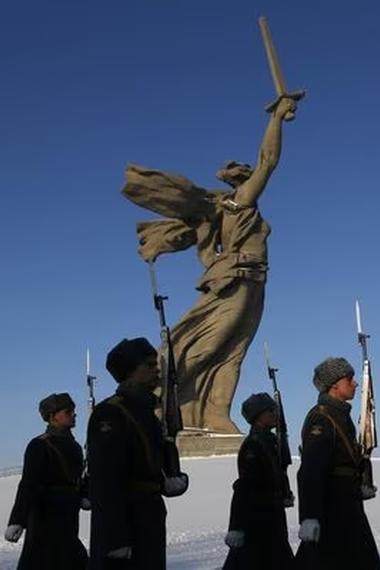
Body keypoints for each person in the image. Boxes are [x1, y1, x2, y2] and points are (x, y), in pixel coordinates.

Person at [120, 95, 302, 433]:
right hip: (237, 279)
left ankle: (216, 413)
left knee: (233, 353)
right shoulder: (239, 202)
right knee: (208, 346)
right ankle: (158, 395)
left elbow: (206, 251)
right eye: (248, 177)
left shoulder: (233, 209)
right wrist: (275, 118)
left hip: (254, 281)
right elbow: (269, 159)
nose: (254, 180)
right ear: (240, 181)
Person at [86, 337, 190, 569]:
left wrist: (170, 480)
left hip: (149, 517)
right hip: (126, 523)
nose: (157, 370)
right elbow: (105, 479)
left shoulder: (148, 414)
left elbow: (150, 466)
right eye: (150, 365)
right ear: (131, 371)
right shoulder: (111, 413)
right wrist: (114, 536)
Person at [294, 357, 380, 570]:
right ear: (334, 384)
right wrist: (309, 516)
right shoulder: (321, 418)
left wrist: (362, 482)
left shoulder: (341, 415)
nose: (355, 383)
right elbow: (311, 470)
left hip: (347, 503)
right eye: (349, 379)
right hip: (331, 507)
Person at [4, 392, 89, 569]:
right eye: (68, 411)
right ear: (52, 416)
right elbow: (28, 483)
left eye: (73, 410)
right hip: (45, 517)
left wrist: (84, 495)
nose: (74, 414)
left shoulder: (75, 447)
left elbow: (78, 478)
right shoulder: (39, 445)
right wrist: (18, 519)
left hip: (69, 515)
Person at [222, 392, 294, 569]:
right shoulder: (253, 445)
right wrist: (236, 526)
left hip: (272, 515)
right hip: (257, 519)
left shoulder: (270, 442)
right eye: (271, 410)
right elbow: (244, 487)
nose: (275, 414)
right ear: (259, 416)